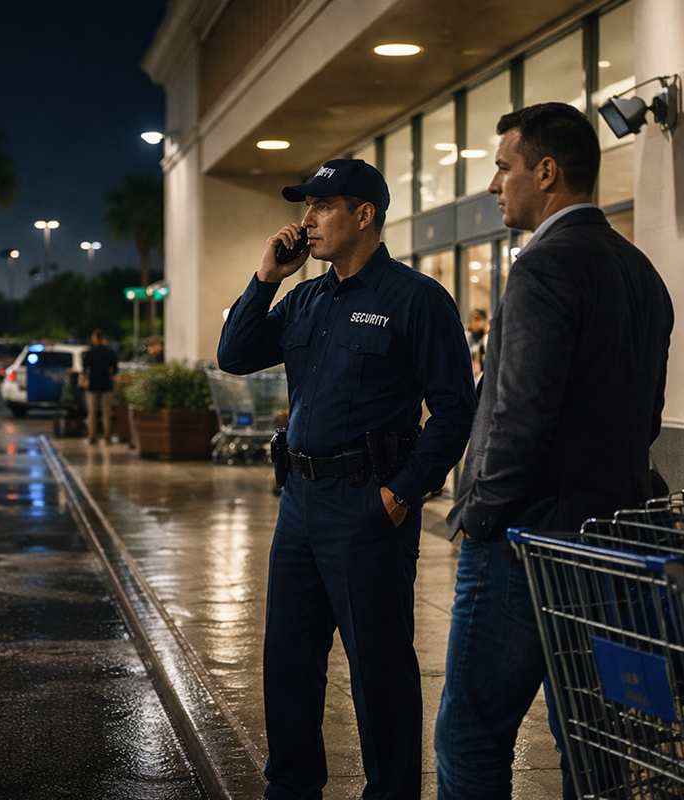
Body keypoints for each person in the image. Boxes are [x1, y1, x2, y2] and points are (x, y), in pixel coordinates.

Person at [434, 102, 673, 800]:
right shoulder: (641, 275)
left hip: (527, 540)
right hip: (616, 538)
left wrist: (478, 515)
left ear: (547, 171)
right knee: (593, 739)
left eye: (503, 167)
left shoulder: (543, 269)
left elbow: (518, 418)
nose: (493, 183)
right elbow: (648, 416)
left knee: (472, 730)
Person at [218, 158, 477, 800]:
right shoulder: (306, 297)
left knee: (379, 670)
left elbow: (454, 408)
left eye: (322, 206)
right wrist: (266, 278)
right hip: (300, 503)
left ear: (365, 215)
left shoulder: (415, 299)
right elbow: (235, 354)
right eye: (306, 206)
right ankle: (293, 786)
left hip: (368, 505)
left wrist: (401, 493)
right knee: (287, 662)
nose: (307, 220)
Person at [82, 328, 118, 444]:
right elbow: (115, 368)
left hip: (93, 385)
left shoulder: (90, 352)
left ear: (94, 338)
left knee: (92, 411)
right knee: (106, 412)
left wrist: (85, 380)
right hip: (106, 385)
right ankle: (106, 436)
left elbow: (85, 368)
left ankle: (92, 436)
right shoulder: (110, 352)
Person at [467, 309, 488, 380]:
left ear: (485, 321)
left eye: (478, 319)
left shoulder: (487, 340)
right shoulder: (468, 339)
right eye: (473, 319)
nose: (475, 323)